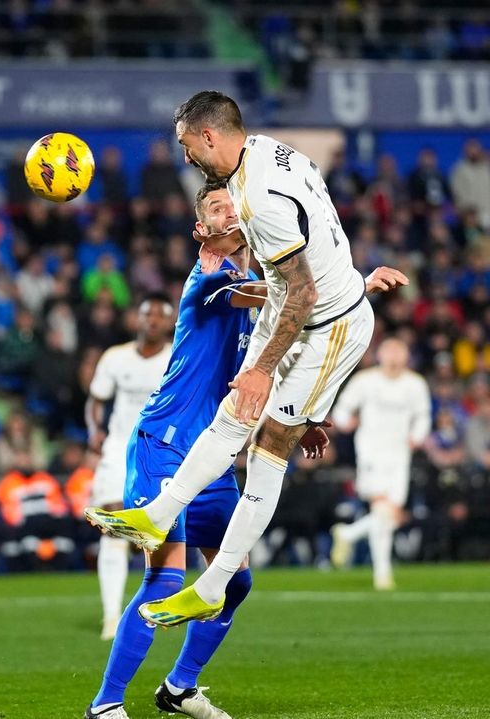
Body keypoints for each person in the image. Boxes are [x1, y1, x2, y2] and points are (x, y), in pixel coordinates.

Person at [85, 183, 409, 719]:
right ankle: (106, 703)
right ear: (202, 230)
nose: (229, 210)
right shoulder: (209, 282)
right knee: (165, 576)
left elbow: (280, 352)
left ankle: (179, 688)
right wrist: (352, 291)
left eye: (232, 204)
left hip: (214, 457)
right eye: (216, 208)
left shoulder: (263, 290)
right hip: (165, 445)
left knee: (235, 581)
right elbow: (284, 300)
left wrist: (303, 420)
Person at [87, 90, 391, 628]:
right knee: (235, 418)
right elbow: (311, 246)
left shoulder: (260, 198)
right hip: (297, 312)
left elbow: (305, 293)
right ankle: (158, 517)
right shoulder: (272, 152)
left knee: (271, 440)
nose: (185, 158)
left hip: (325, 328)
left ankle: (214, 583)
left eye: (185, 145)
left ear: (209, 135)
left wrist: (264, 370)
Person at [85, 295, 174, 640]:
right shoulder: (115, 357)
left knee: (164, 534)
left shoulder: (176, 357)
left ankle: (159, 610)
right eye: (147, 313)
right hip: (119, 450)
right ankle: (111, 617)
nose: (152, 320)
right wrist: (94, 430)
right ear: (136, 319)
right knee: (113, 525)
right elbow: (96, 399)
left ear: (169, 323)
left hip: (161, 452)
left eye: (160, 315)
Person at [330, 337, 431, 590]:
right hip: (371, 453)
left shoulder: (415, 384)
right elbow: (342, 410)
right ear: (381, 355)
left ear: (407, 356)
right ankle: (382, 575)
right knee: (383, 510)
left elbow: (422, 416)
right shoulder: (365, 381)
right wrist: (346, 423)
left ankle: (348, 534)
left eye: (400, 351)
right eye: (390, 351)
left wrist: (416, 438)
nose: (395, 357)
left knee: (390, 514)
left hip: (400, 454)